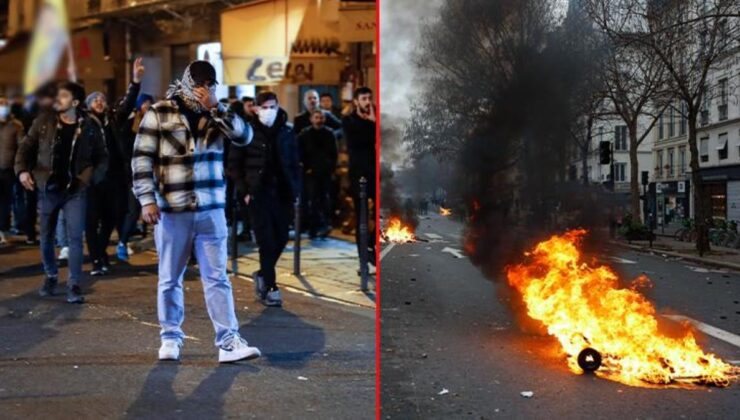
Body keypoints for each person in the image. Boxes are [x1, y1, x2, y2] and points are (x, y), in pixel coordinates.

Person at [132, 60, 260, 363]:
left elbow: (244, 137)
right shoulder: (160, 111)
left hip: (211, 206)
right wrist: (146, 200)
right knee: (170, 277)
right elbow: (141, 159)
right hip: (172, 209)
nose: (206, 89)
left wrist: (217, 108)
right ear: (189, 81)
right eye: (201, 83)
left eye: (211, 84)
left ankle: (228, 341)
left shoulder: (218, 111)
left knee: (217, 278)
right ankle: (171, 337)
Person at [15, 81, 108, 303]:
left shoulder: (89, 126)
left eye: (63, 96)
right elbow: (26, 148)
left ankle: (74, 284)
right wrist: (22, 172)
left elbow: (102, 157)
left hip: (75, 190)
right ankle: (50, 275)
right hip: (48, 188)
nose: (58, 99)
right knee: (46, 236)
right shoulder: (44, 122)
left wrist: (89, 180)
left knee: (76, 238)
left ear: (75, 102)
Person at [228, 91, 301, 307]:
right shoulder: (246, 132)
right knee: (265, 240)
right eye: (265, 107)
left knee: (280, 238)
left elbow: (295, 163)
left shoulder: (287, 132)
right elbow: (234, 164)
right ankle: (271, 286)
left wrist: (296, 191)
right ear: (256, 109)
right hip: (258, 193)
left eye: (272, 106)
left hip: (283, 193)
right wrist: (245, 191)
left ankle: (262, 272)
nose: (269, 111)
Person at [84, 57, 145, 275]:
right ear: (88, 105)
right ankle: (97, 261)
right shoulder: (84, 124)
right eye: (94, 100)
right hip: (92, 181)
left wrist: (135, 81)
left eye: (101, 99)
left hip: (113, 178)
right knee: (92, 222)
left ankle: (101, 252)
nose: (99, 102)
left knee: (111, 218)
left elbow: (127, 103)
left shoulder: (113, 119)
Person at [342, 87, 376, 275]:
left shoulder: (376, 118)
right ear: (356, 101)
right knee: (361, 218)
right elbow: (358, 142)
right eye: (364, 98)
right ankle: (364, 261)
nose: (367, 101)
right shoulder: (349, 120)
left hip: (376, 173)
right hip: (359, 175)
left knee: (380, 215)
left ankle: (370, 247)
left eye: (369, 98)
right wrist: (372, 123)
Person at [117, 90, 152, 261]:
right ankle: (122, 242)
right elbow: (125, 151)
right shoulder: (130, 125)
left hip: (154, 173)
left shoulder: (155, 123)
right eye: (145, 103)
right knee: (133, 210)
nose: (148, 106)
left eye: (150, 103)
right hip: (135, 173)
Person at [298, 110, 338, 239]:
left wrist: (331, 168)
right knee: (312, 200)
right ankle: (312, 228)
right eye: (316, 117)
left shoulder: (329, 134)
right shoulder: (304, 134)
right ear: (311, 119)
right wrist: (306, 167)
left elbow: (334, 153)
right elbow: (299, 152)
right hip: (310, 173)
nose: (319, 120)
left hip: (325, 172)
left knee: (325, 199)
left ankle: (325, 225)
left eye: (321, 117)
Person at [0, 95, 24, 236]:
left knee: (5, 200)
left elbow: (22, 147)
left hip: (7, 168)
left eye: (4, 103)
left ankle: (3, 228)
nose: (2, 106)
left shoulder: (16, 125)